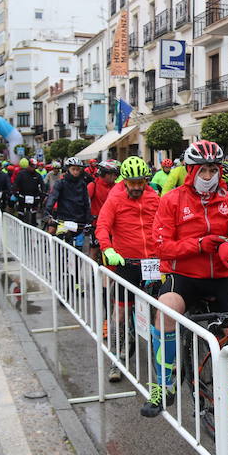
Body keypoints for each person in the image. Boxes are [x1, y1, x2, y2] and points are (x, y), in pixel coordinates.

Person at [146, 140, 228, 417]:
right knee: (166, 310)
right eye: (202, 171)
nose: (208, 177)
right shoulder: (172, 199)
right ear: (190, 171)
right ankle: (163, 384)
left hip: (223, 276)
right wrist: (198, 245)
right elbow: (161, 245)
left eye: (213, 170)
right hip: (184, 275)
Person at [95, 156, 160, 383]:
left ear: (145, 180)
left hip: (152, 262)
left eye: (140, 182)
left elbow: (165, 223)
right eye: (131, 182)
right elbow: (102, 226)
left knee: (159, 313)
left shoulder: (154, 197)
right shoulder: (115, 199)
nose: (136, 187)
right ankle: (116, 359)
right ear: (125, 181)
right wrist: (108, 248)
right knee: (120, 314)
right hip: (126, 263)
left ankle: (162, 359)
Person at [43, 157, 91, 236]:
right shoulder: (60, 183)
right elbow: (52, 198)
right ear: (68, 169)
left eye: (78, 169)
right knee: (61, 243)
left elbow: (86, 203)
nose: (75, 172)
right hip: (63, 220)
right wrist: (47, 213)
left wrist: (88, 219)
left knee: (78, 247)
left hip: (79, 222)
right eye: (73, 169)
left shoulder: (83, 184)